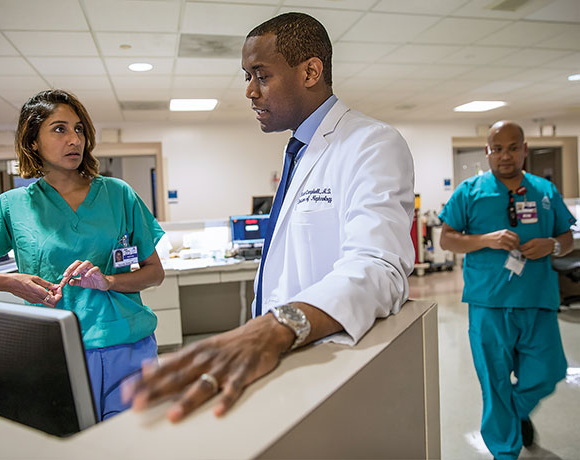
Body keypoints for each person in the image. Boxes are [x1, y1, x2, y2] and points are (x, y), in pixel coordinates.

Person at [123, 12, 415, 423]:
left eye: (261, 75)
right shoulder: (299, 148)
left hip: (324, 360)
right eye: (247, 75)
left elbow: (380, 266)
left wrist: (281, 325)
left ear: (311, 71)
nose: (248, 91)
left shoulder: (372, 143)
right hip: (283, 360)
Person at [0, 89, 165, 421]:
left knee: (138, 445)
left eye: (78, 129)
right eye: (59, 129)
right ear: (33, 140)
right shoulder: (13, 206)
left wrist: (108, 280)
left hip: (129, 345)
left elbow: (154, 272)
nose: (74, 139)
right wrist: (7, 282)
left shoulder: (118, 194)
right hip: (58, 350)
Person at [439, 120, 574, 459]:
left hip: (537, 299)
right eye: (497, 148)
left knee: (550, 370)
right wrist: (487, 239)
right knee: (495, 382)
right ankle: (505, 451)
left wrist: (552, 247)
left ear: (525, 149)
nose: (505, 155)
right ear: (487, 151)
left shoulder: (544, 191)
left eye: (513, 147)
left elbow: (567, 237)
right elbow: (446, 238)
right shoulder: (469, 192)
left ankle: (514, 413)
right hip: (489, 304)